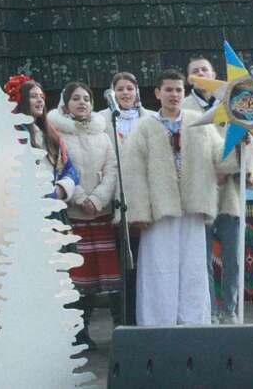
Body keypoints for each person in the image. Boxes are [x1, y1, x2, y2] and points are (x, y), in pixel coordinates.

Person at [122, 69, 253, 326]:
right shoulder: (144, 127)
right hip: (160, 211)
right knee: (160, 268)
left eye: (179, 90)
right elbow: (133, 173)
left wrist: (238, 144)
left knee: (194, 269)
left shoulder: (199, 122)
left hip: (193, 207)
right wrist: (138, 212)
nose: (174, 94)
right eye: (168, 89)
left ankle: (193, 322)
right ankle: (158, 322)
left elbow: (220, 158)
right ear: (158, 93)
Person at [48, 82, 120, 350]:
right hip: (75, 214)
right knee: (79, 278)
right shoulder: (57, 134)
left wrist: (98, 198)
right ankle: (79, 333)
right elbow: (60, 167)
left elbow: (112, 169)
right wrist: (80, 198)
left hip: (100, 213)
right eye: (76, 98)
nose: (82, 102)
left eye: (86, 98)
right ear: (65, 104)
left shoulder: (103, 134)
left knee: (110, 278)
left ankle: (120, 331)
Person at [184, 57, 253, 324]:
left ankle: (230, 308)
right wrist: (210, 173)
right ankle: (208, 308)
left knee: (233, 258)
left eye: (205, 69)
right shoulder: (183, 107)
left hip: (231, 192)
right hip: (201, 189)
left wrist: (238, 170)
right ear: (188, 77)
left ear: (215, 74)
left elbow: (250, 141)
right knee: (201, 257)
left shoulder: (234, 102)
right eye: (195, 71)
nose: (201, 73)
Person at [97, 71, 153, 326]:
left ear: (137, 91)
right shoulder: (101, 120)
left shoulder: (151, 119)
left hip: (145, 200)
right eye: (120, 89)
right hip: (114, 201)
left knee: (144, 263)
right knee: (120, 267)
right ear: (113, 92)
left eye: (130, 88)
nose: (125, 93)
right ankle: (122, 320)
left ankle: (145, 317)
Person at [5, 75, 78, 204]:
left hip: (52, 204)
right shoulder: (13, 134)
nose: (40, 101)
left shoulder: (51, 136)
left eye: (41, 97)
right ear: (20, 101)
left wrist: (61, 189)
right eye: (33, 97)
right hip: (26, 205)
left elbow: (69, 169)